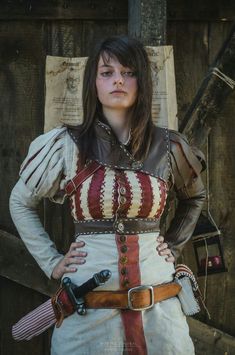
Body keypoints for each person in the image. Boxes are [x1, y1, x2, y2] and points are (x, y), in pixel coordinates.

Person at [10, 36, 206, 355]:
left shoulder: (169, 147)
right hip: (86, 312)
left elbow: (194, 197)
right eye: (107, 72)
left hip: (159, 312)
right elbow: (20, 201)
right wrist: (52, 262)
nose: (118, 79)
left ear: (142, 81)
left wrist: (172, 245)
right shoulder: (65, 146)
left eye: (129, 72)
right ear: (93, 83)